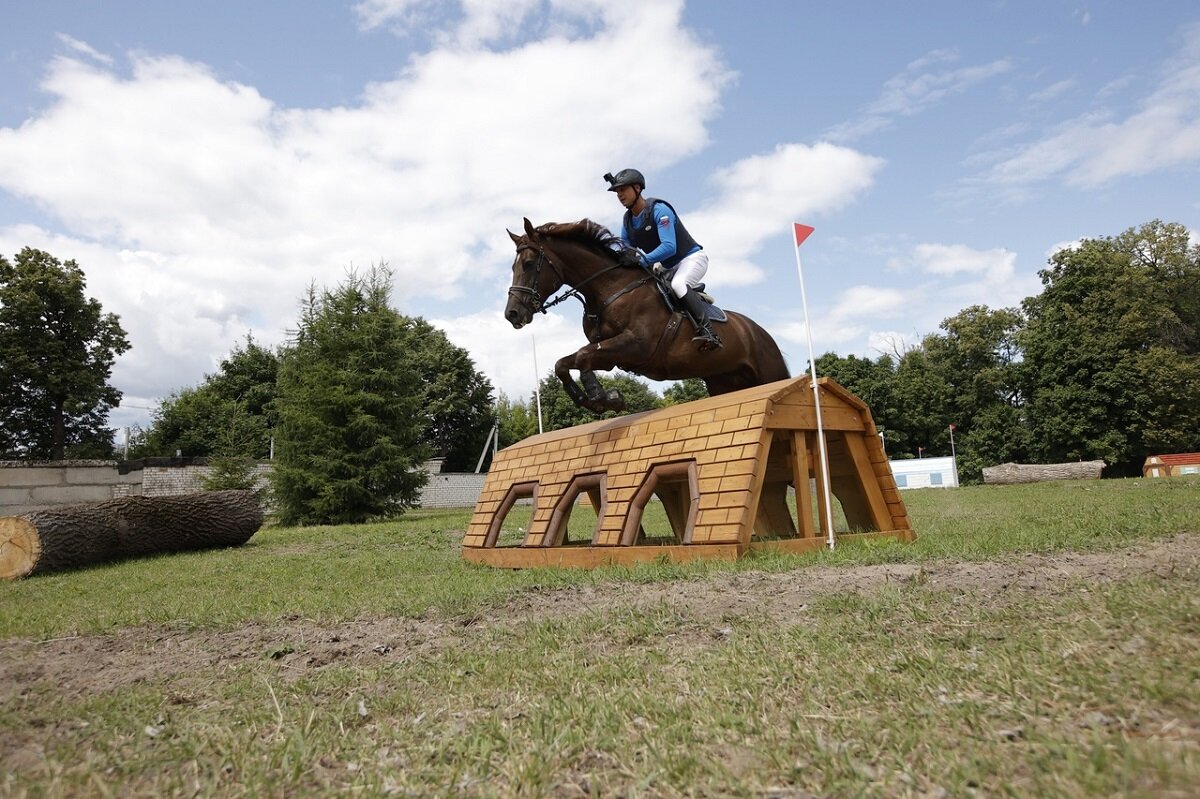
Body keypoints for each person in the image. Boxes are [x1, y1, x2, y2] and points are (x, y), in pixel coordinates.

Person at [604, 168, 721, 348]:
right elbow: (625, 250)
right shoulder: (627, 221)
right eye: (617, 192)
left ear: (637, 188)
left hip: (691, 259)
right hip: (667, 268)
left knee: (678, 285)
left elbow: (669, 247)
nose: (619, 195)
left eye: (623, 190)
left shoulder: (660, 210)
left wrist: (641, 260)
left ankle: (709, 332)